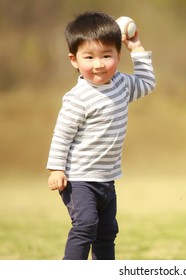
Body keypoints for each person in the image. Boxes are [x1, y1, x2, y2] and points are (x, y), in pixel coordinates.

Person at [46, 11, 156, 260]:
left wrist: (136, 47)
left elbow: (147, 84)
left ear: (118, 55)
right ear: (74, 60)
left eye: (107, 55)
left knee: (107, 232)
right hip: (78, 178)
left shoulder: (121, 84)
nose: (99, 64)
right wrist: (56, 168)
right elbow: (62, 135)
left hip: (107, 178)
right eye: (89, 57)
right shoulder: (78, 97)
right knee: (85, 226)